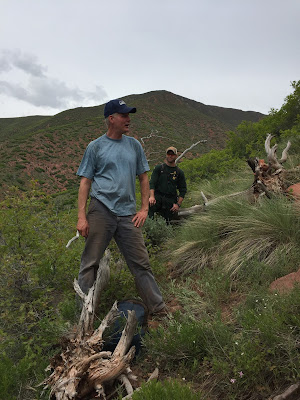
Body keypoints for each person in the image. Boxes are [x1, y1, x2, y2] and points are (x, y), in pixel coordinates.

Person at [76, 99, 165, 315]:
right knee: (90, 265)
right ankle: (83, 317)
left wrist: (144, 209)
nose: (128, 119)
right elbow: (85, 182)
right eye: (124, 115)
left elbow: (144, 178)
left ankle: (159, 310)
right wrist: (81, 217)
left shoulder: (134, 145)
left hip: (128, 215)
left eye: (128, 115)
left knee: (141, 264)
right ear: (111, 119)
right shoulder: (95, 147)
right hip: (101, 209)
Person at [149, 147, 187, 222]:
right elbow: (152, 183)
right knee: (149, 213)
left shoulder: (179, 172)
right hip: (157, 198)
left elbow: (183, 189)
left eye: (172, 154)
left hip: (170, 201)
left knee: (168, 223)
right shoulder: (159, 168)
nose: (170, 156)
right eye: (168, 154)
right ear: (166, 155)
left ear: (176, 156)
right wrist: (151, 196)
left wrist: (178, 204)